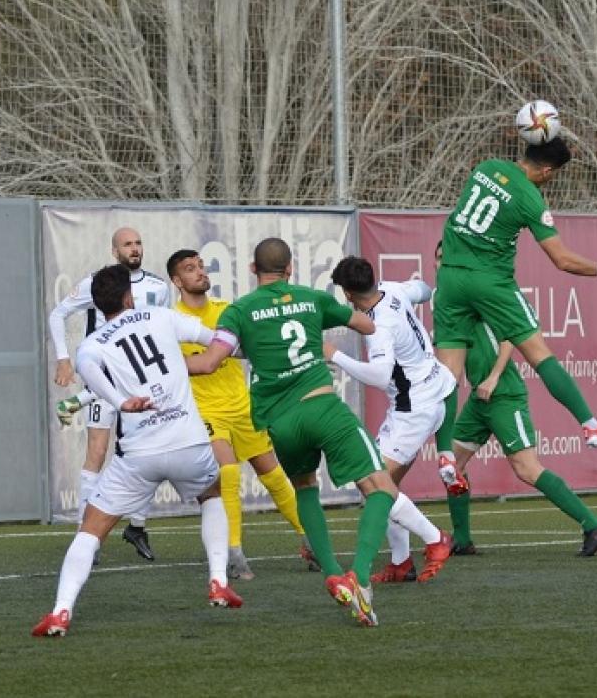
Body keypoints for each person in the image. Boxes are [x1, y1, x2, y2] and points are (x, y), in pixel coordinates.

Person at [186, 238, 452, 627]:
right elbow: (366, 322)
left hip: (280, 422)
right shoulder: (311, 298)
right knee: (379, 486)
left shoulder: (240, 310)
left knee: (305, 487)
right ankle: (359, 576)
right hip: (323, 407)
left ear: (251, 270)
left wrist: (175, 367)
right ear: (290, 268)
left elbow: (211, 361)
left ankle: (332, 573)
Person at [32, 265, 242, 638]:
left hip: (139, 453)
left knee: (92, 529)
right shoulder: (162, 316)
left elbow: (88, 372)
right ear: (129, 296)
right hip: (188, 442)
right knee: (212, 496)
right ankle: (218, 580)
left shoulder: (92, 344)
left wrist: (121, 400)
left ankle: (61, 611)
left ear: (96, 305)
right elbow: (218, 343)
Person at [432, 136, 597, 475]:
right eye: (552, 175)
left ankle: (445, 455)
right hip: (490, 281)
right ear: (546, 170)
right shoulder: (531, 198)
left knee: (447, 377)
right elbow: (562, 259)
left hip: (450, 279)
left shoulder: (485, 167)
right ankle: (590, 424)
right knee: (539, 353)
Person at [431, 242, 597, 558]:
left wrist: (493, 377)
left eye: (446, 257)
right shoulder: (443, 298)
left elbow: (508, 336)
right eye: (437, 258)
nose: (441, 263)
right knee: (453, 467)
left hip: (503, 394)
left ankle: (592, 523)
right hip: (478, 400)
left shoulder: (477, 291)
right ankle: (462, 540)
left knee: (527, 469)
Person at [167, 249, 318, 578]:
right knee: (229, 475)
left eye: (201, 267)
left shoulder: (228, 310)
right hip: (206, 413)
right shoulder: (171, 320)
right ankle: (234, 554)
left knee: (276, 477)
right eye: (190, 269)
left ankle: (312, 541)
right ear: (177, 281)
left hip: (243, 407)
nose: (200, 273)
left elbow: (255, 348)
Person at [325, 255, 456, 583]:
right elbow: (424, 289)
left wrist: (335, 356)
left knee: (372, 484)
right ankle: (401, 563)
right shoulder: (392, 289)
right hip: (434, 392)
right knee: (388, 484)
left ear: (349, 295)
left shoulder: (379, 325)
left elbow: (381, 376)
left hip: (413, 412)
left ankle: (435, 538)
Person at [47, 227, 171, 561]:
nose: (134, 249)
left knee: (149, 449)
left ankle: (138, 526)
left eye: (138, 243)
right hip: (103, 379)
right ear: (114, 251)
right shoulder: (98, 284)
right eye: (127, 244)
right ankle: (85, 533)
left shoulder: (158, 287)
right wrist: (63, 358)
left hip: (141, 382)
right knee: (97, 451)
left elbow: (163, 330)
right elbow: (58, 314)